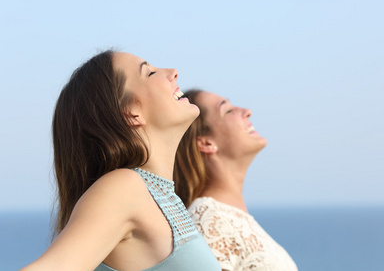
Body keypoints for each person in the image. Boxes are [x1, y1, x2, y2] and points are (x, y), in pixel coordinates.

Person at [21, 51, 221, 271]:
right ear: (130, 113)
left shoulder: (154, 194)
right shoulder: (125, 187)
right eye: (150, 72)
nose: (173, 73)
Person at [174, 89, 298, 271]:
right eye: (229, 111)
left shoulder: (225, 217)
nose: (247, 111)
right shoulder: (210, 219)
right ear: (206, 143)